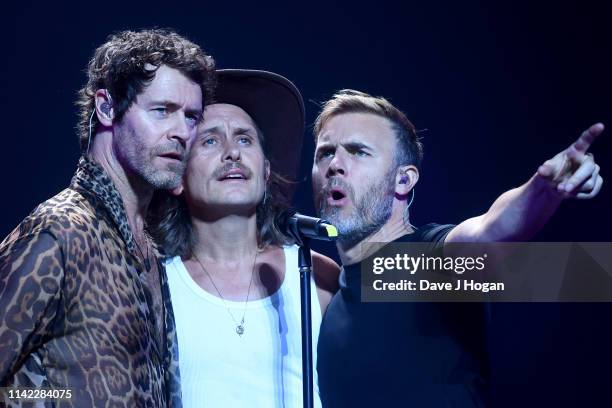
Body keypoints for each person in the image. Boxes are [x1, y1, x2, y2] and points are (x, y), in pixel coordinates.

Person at [311, 90, 604, 407]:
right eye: (325, 153)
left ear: (403, 181)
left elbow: (487, 231)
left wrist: (542, 189)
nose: (335, 165)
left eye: (358, 152)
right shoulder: (331, 298)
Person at [0, 29, 215, 407]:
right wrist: (58, 398)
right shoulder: (59, 230)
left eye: (192, 117)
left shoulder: (147, 247)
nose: (182, 132)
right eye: (162, 110)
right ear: (106, 107)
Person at [148, 69, 340, 407]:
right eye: (209, 140)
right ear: (178, 176)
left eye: (244, 139)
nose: (231, 153)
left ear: (266, 171)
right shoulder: (153, 284)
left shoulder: (317, 275)